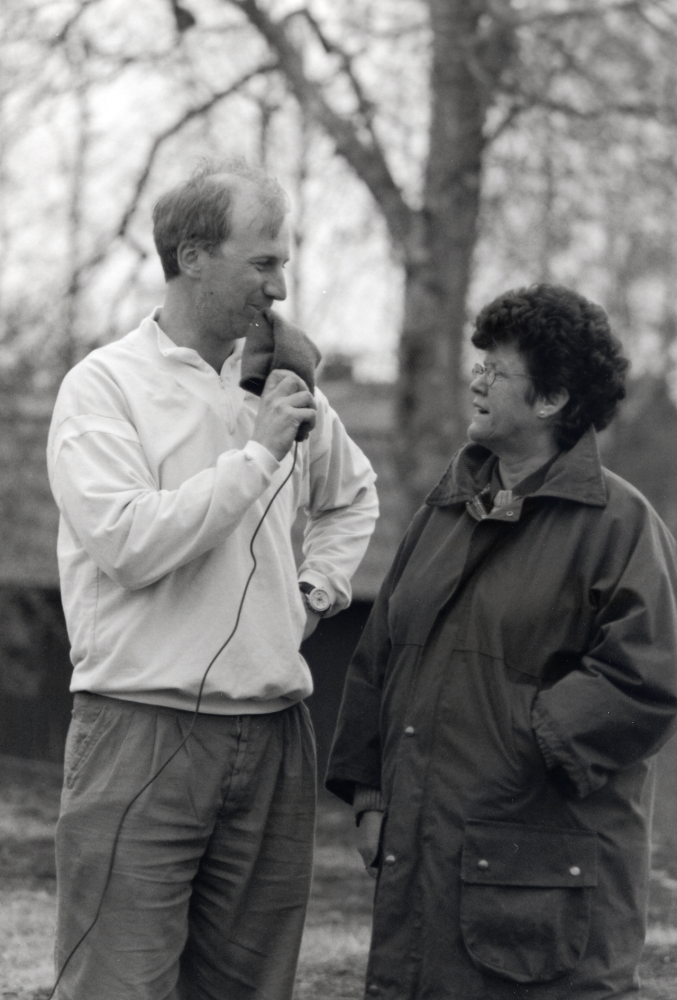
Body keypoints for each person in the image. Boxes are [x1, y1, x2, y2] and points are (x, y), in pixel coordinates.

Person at [47, 157, 378, 1000]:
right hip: (140, 729)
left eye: (283, 262)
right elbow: (128, 543)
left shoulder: (284, 382)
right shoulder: (103, 387)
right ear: (193, 256)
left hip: (273, 736)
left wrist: (314, 596)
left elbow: (353, 499)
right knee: (116, 987)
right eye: (262, 260)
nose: (279, 284)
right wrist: (259, 452)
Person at [326, 283, 677, 1000]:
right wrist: (368, 792)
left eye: (497, 369)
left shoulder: (620, 525)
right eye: (477, 360)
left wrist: (525, 741)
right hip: (420, 863)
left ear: (549, 400)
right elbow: (378, 655)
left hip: (548, 881)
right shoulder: (443, 510)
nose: (476, 378)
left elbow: (647, 675)